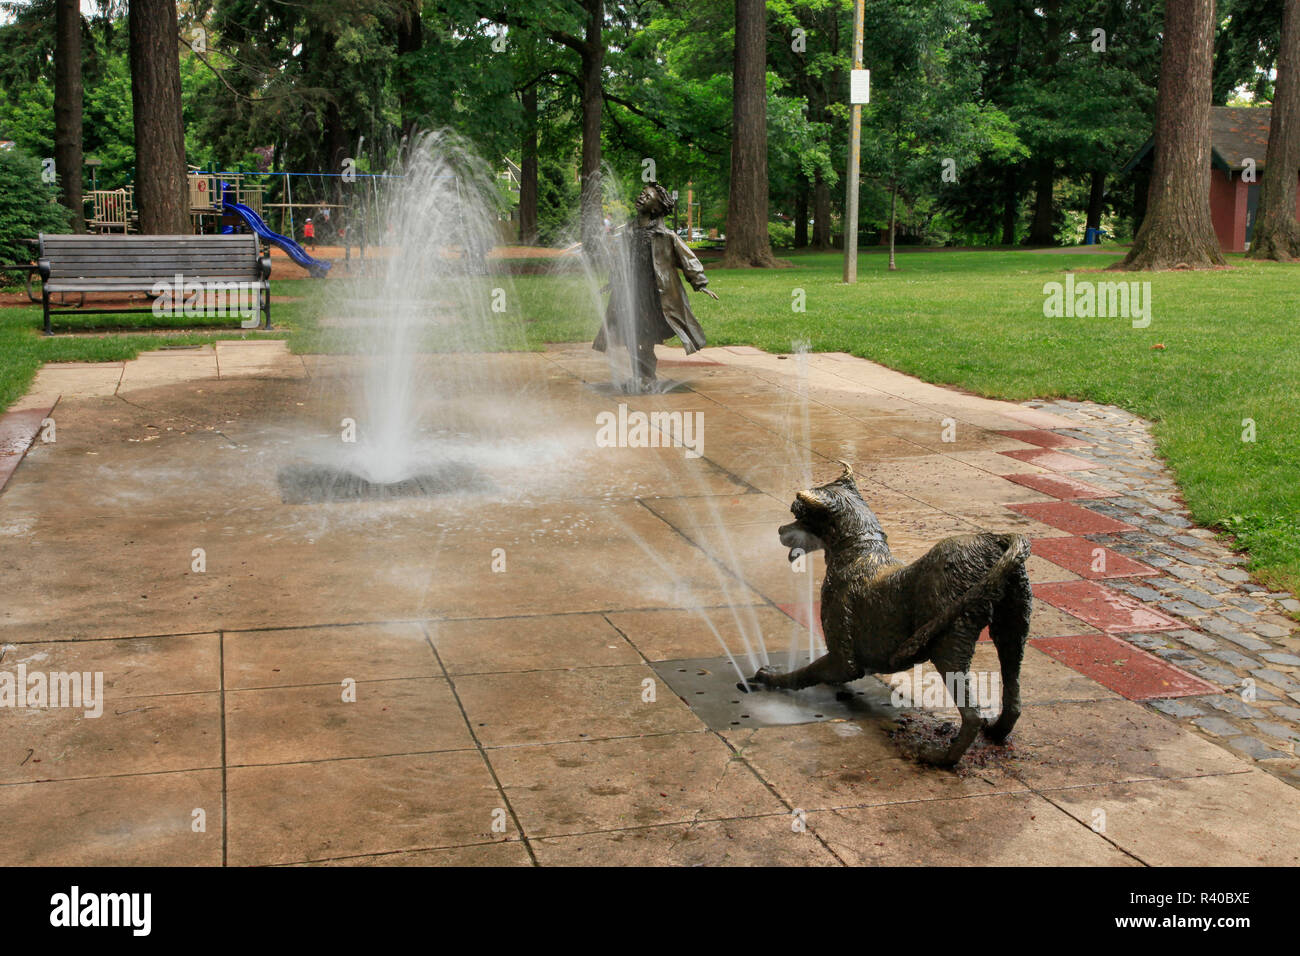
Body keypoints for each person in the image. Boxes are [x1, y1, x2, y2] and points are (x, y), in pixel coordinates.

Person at [593, 182, 718, 391]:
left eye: (647, 196)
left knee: (645, 338)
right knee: (632, 336)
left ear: (655, 209)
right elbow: (620, 262)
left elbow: (687, 259)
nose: (642, 197)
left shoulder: (666, 236)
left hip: (654, 296)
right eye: (642, 194)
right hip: (630, 294)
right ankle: (639, 377)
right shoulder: (628, 233)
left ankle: (647, 378)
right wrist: (613, 282)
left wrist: (700, 282)